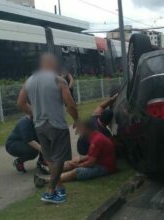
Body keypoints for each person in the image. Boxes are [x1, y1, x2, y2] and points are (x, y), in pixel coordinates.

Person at [17, 53, 79, 204]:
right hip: (57, 124)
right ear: (52, 63)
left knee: (50, 159)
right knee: (59, 159)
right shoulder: (58, 80)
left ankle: (59, 188)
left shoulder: (29, 81)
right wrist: (77, 119)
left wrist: (33, 112)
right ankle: (50, 192)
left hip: (39, 126)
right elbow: (69, 103)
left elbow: (20, 103)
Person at [34, 119, 117, 186]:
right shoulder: (94, 136)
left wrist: (77, 165)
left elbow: (91, 163)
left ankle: (45, 180)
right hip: (98, 162)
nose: (79, 131)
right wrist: (78, 160)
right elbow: (92, 156)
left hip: (105, 168)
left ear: (87, 129)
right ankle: (49, 170)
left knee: (77, 171)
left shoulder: (96, 140)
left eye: (81, 128)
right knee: (74, 161)